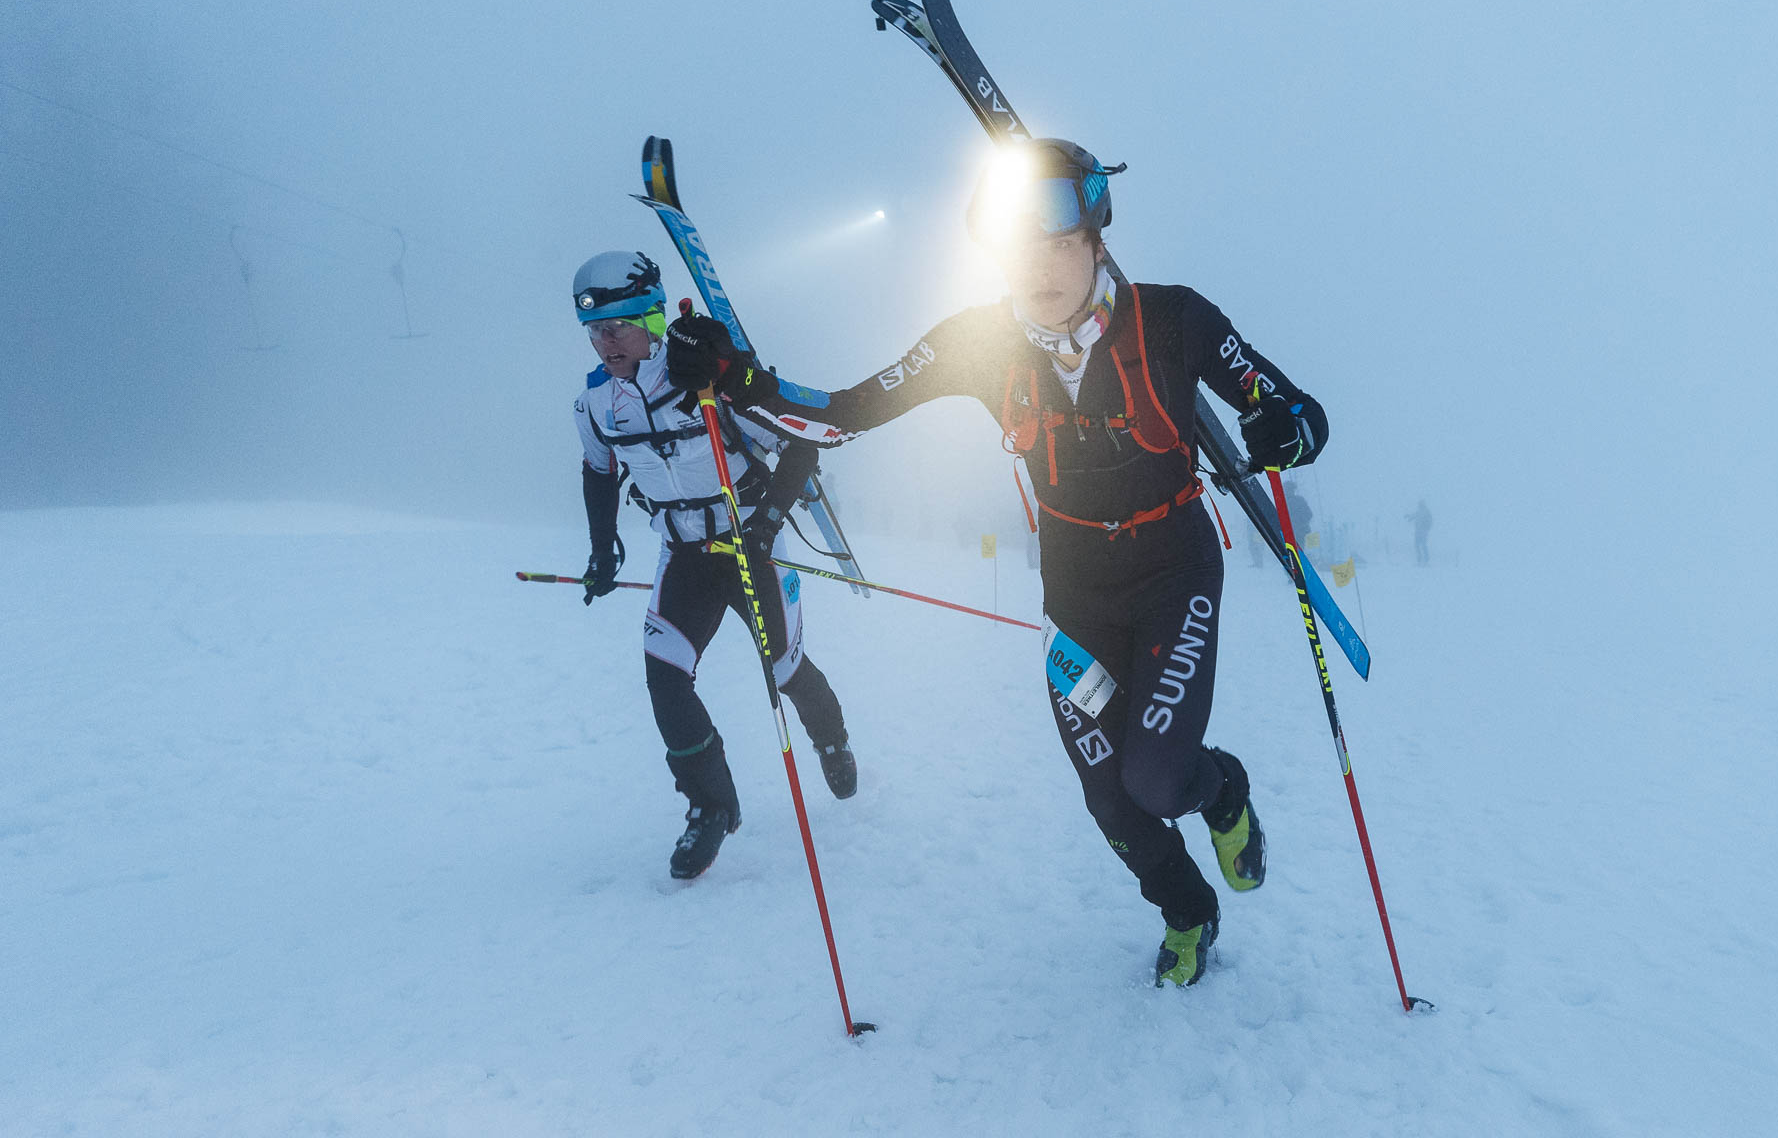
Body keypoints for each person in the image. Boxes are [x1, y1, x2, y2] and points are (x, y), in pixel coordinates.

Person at [666, 140, 1328, 986]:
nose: (1042, 271)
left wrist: (1288, 433)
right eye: (1021, 251)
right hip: (1078, 598)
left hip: (1175, 575)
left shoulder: (1174, 320)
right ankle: (1188, 911)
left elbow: (1295, 409)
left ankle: (1223, 790)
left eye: (1060, 245)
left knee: (1158, 775)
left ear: (1096, 236)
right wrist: (739, 378)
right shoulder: (977, 343)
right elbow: (842, 414)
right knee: (1110, 795)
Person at [568, 250, 858, 881]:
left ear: (649, 320)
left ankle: (830, 737)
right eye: (594, 331)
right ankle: (711, 807)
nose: (604, 343)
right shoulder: (596, 401)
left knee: (783, 669)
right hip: (683, 554)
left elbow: (800, 449)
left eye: (616, 327)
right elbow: (598, 473)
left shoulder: (706, 375)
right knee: (665, 677)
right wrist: (602, 549)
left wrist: (766, 523)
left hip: (748, 545)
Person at [1407, 499, 1433, 566]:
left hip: (1423, 532)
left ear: (1423, 505)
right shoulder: (1419, 511)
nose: (1419, 505)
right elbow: (1414, 515)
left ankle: (1426, 559)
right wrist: (1409, 517)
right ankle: (1420, 558)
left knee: (1423, 545)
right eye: (1419, 504)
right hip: (1418, 531)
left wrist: (1427, 528)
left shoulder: (1426, 511)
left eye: (1420, 504)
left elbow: (1430, 521)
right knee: (1417, 545)